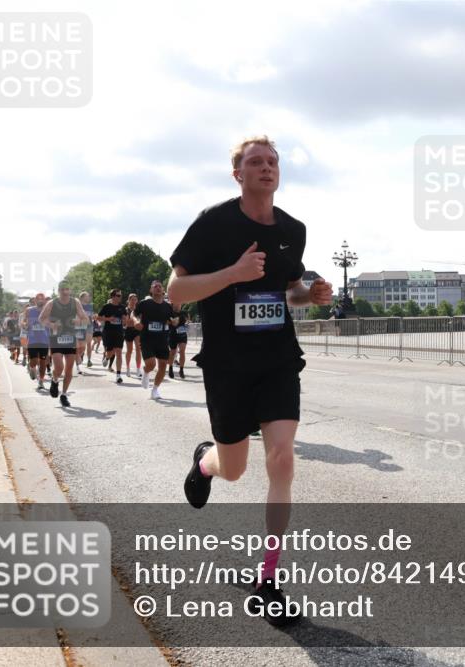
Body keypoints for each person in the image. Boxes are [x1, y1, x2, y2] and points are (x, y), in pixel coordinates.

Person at [169, 135, 332, 626]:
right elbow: (177, 292)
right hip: (227, 363)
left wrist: (313, 294)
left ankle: (269, 579)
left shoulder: (294, 230)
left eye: (272, 161)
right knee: (235, 469)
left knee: (282, 459)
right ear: (237, 173)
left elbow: (290, 293)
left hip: (278, 359)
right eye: (255, 162)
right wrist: (233, 271)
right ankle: (206, 463)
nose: (266, 168)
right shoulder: (213, 222)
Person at [40, 282, 88, 407]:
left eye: (67, 289)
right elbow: (41, 318)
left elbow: (85, 319)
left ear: (70, 290)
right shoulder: (52, 303)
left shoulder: (75, 302)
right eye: (62, 289)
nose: (65, 292)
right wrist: (51, 325)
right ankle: (55, 380)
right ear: (59, 291)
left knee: (68, 369)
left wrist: (78, 321)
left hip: (70, 338)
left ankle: (64, 395)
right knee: (59, 367)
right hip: (56, 338)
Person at [134, 281, 177, 399]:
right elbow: (134, 313)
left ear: (163, 290)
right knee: (151, 364)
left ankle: (155, 390)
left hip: (162, 339)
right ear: (151, 291)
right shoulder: (145, 304)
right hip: (147, 339)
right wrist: (136, 321)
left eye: (160, 286)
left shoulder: (167, 306)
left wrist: (174, 321)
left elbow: (171, 319)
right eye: (155, 286)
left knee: (163, 366)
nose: (158, 288)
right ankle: (146, 371)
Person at [97, 289, 126, 384]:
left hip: (119, 332)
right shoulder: (107, 306)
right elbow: (98, 317)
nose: (120, 297)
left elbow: (125, 319)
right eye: (118, 295)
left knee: (119, 352)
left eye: (120, 295)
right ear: (113, 296)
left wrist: (124, 319)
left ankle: (118, 375)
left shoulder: (122, 307)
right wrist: (108, 319)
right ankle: (107, 358)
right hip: (109, 332)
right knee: (110, 351)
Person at [23, 294, 50, 389]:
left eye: (42, 299)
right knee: (33, 361)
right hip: (32, 339)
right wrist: (25, 324)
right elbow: (24, 321)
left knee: (43, 362)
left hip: (44, 340)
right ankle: (32, 367)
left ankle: (41, 381)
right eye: (38, 299)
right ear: (35, 300)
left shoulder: (48, 311)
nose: (40, 300)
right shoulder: (29, 310)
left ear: (44, 301)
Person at [123, 293, 143, 377]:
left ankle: (138, 369)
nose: (134, 301)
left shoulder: (138, 310)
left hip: (137, 331)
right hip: (128, 331)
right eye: (132, 299)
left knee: (138, 349)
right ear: (128, 300)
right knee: (129, 350)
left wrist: (134, 321)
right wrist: (133, 321)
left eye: (135, 299)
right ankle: (127, 368)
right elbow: (126, 322)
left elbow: (140, 320)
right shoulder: (126, 310)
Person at [168, 305, 189, 379]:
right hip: (173, 334)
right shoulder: (170, 312)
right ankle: (170, 368)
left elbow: (188, 321)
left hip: (182, 334)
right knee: (173, 352)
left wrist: (187, 323)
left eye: (180, 303)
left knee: (182, 351)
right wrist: (172, 322)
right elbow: (167, 322)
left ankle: (181, 370)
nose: (178, 304)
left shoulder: (184, 312)